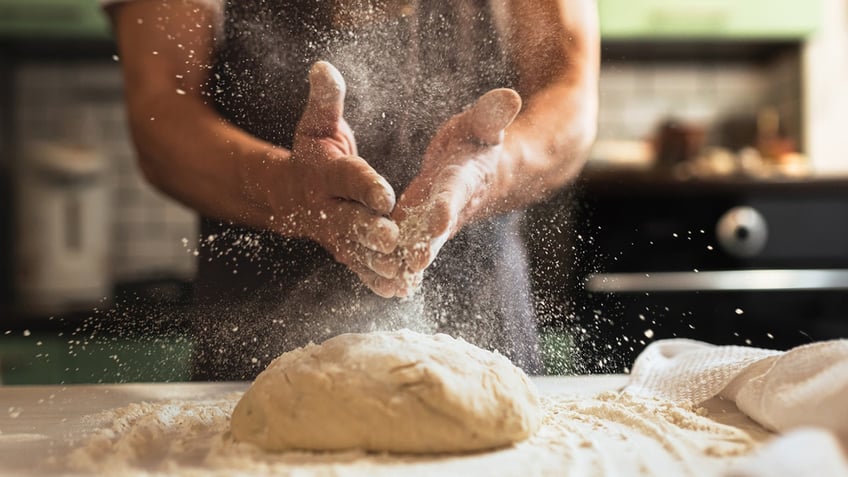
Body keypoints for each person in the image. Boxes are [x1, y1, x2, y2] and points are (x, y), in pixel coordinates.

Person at [104, 0, 599, 380]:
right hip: (256, 342)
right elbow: (161, 117)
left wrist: (487, 172)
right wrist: (287, 191)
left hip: (484, 326)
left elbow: (569, 93)